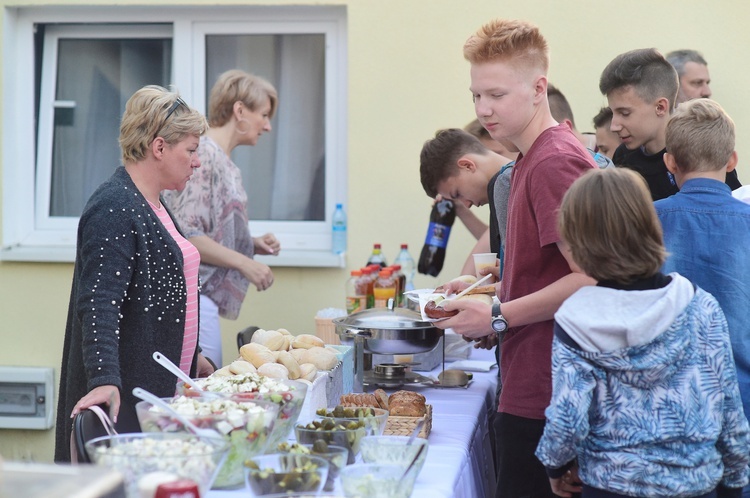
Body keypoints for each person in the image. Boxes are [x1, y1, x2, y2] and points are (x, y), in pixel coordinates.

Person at [426, 18, 597, 497]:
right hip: (532, 382)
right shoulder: (526, 161)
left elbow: (591, 280)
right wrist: (485, 293)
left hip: (550, 395)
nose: (483, 110)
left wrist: (498, 316)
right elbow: (546, 272)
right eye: (476, 96)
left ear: (539, 88)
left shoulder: (553, 162)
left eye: (497, 95)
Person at [536, 167, 750, 498]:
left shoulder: (577, 319)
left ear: (579, 240)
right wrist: (736, 480)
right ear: (648, 224)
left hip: (612, 485)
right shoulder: (700, 305)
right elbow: (728, 406)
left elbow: (568, 419)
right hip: (695, 483)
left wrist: (555, 467)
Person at [54, 86, 214, 462]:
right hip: (127, 401)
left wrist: (195, 356)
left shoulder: (152, 203)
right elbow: (98, 305)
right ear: (159, 148)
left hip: (160, 390)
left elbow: (161, 291)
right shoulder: (114, 206)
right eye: (190, 151)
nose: (197, 163)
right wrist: (104, 380)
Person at [163, 70, 281, 367]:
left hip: (204, 300)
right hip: (192, 297)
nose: (267, 126)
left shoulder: (222, 161)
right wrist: (246, 263)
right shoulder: (203, 154)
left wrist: (250, 243)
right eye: (264, 115)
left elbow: (209, 229)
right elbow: (187, 233)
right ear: (239, 110)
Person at [654, 99, 750, 443]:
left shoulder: (645, 220)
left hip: (667, 406)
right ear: (732, 160)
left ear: (669, 161)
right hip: (743, 403)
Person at [665, 49, 741, 189]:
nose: (707, 91)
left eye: (707, 82)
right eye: (697, 83)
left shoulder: (714, 135)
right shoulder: (650, 141)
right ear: (672, 86)